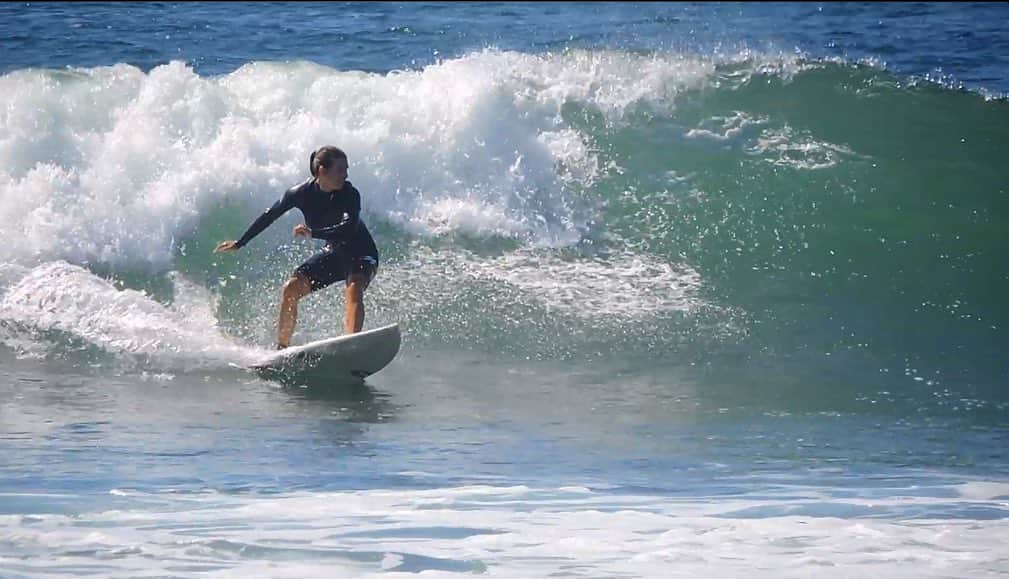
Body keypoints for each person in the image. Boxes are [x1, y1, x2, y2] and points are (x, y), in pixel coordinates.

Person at [214, 146, 379, 349]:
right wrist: (241, 242)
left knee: (354, 288)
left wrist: (313, 233)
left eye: (346, 169)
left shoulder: (350, 194)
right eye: (340, 170)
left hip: (361, 253)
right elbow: (270, 215)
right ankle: (282, 350)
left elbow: (348, 227)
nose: (346, 175)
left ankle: (352, 344)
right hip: (335, 254)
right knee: (291, 289)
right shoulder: (300, 193)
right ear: (321, 170)